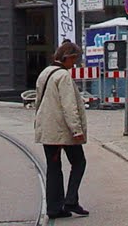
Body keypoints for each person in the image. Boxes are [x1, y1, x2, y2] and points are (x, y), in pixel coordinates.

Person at [34, 41, 89, 220]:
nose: (74, 64)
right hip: (62, 130)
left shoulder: (45, 73)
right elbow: (69, 105)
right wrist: (76, 129)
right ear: (67, 58)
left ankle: (55, 208)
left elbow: (38, 102)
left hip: (47, 128)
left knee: (53, 167)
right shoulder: (63, 76)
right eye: (74, 60)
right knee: (79, 162)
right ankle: (70, 200)